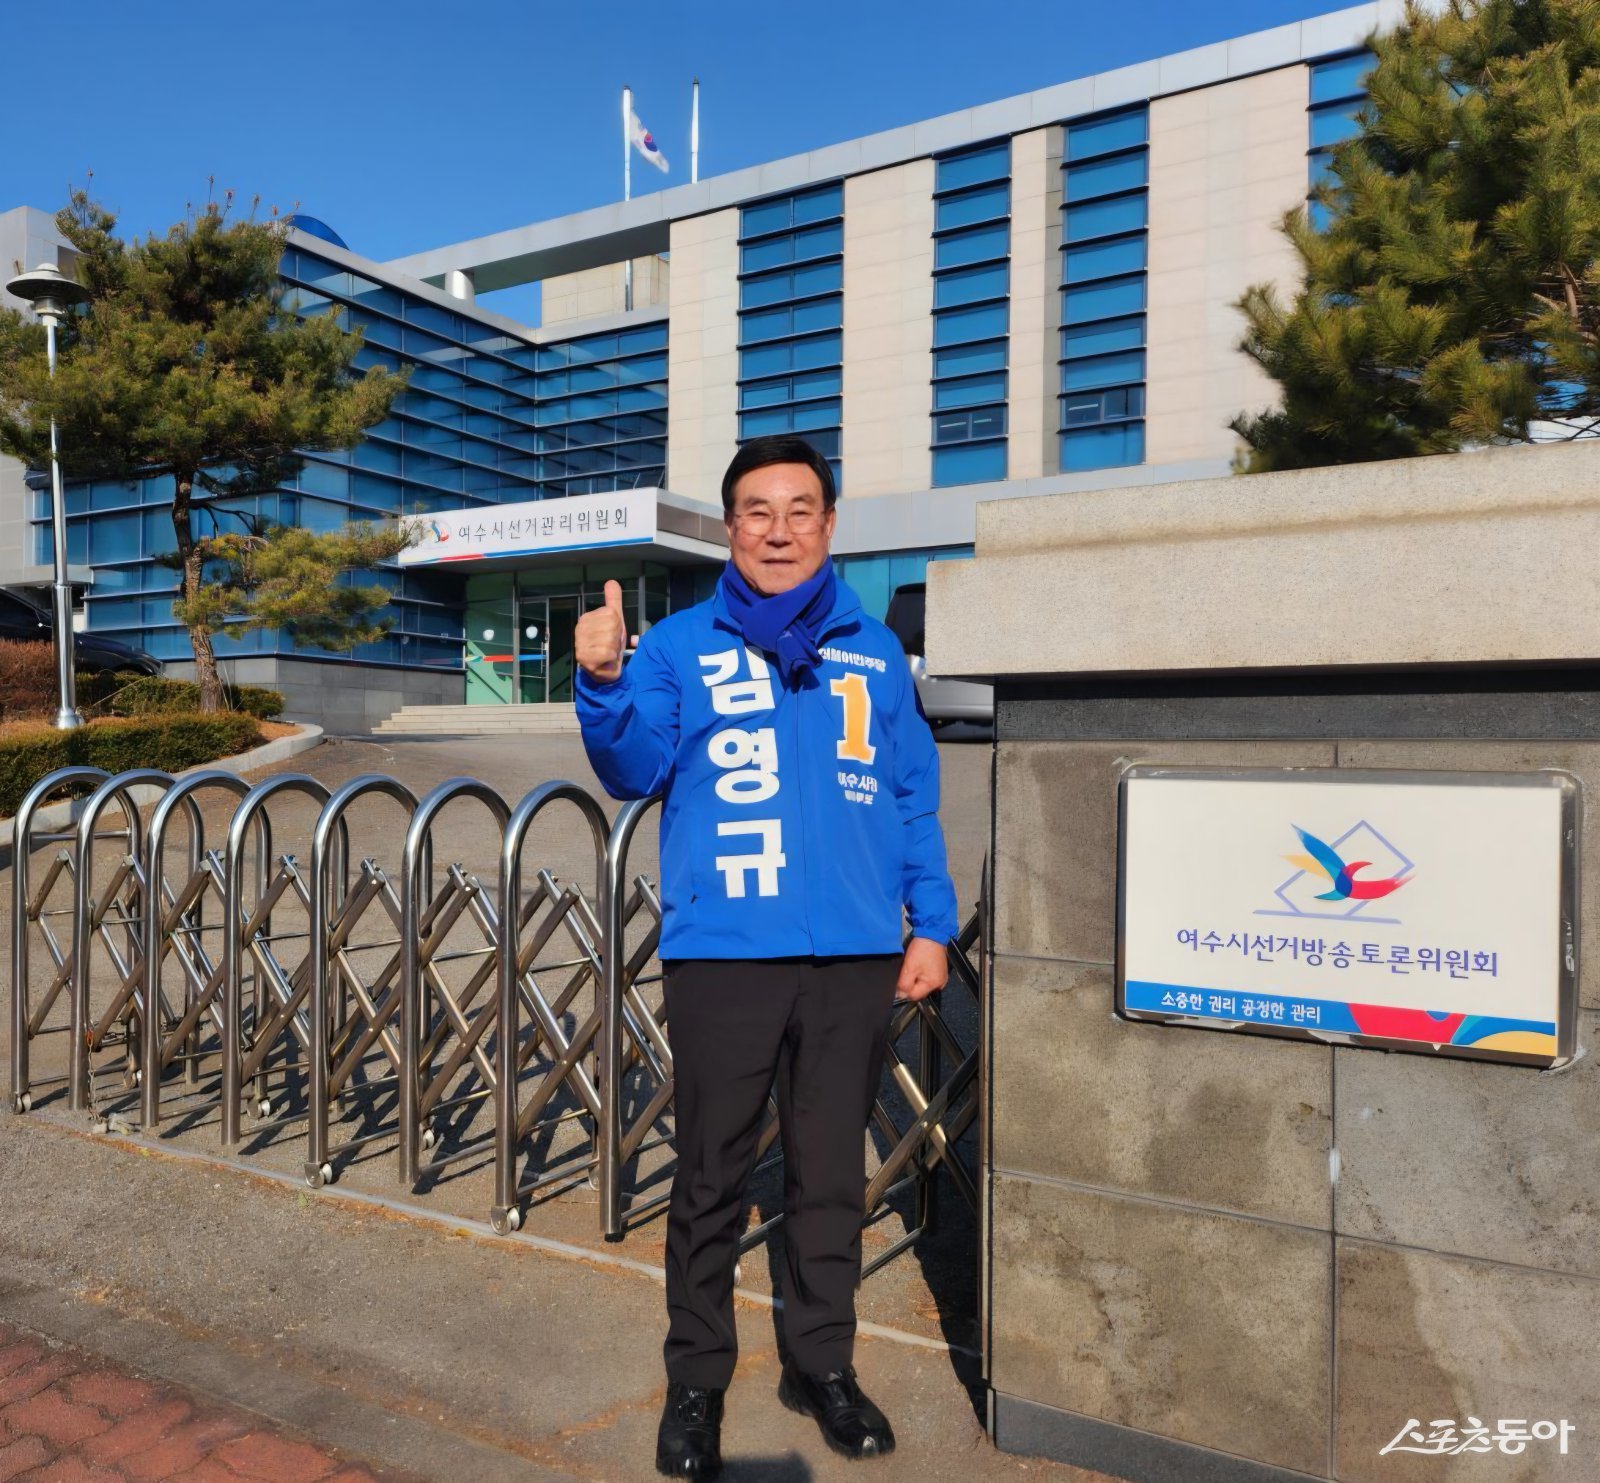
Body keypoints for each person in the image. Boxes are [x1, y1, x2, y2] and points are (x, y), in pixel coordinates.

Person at [574, 435, 958, 1478]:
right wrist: (602, 679)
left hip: (853, 957)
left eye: (799, 509)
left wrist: (931, 920)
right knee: (709, 1176)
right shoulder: (677, 649)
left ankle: (819, 1363)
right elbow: (634, 765)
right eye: (756, 510)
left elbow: (910, 794)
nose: (778, 529)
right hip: (725, 954)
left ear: (829, 524)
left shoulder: (873, 650)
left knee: (830, 1174)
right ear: (729, 527)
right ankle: (696, 1381)